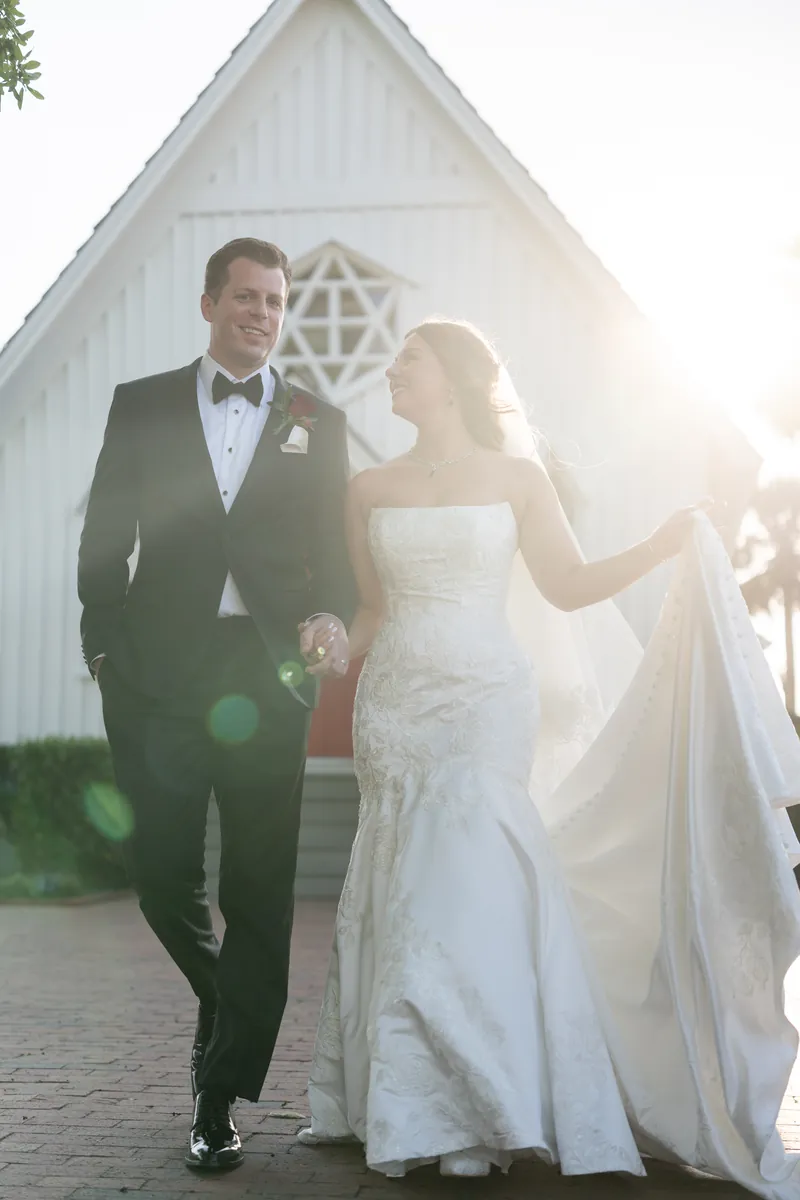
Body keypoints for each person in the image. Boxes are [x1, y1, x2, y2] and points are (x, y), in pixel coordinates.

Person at [298, 319, 800, 1197]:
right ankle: (415, 1098)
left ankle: (481, 1101)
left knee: (469, 882)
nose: (390, 373)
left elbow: (565, 585)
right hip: (398, 705)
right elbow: (371, 612)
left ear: (450, 378)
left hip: (486, 700)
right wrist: (336, 637)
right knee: (403, 881)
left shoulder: (520, 480)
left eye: (406, 361)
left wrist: (659, 545)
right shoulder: (367, 487)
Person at [77, 238, 356, 1172]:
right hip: (157, 674)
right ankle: (226, 1000)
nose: (262, 314)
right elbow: (105, 532)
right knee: (161, 877)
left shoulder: (319, 417)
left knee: (261, 888)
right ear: (209, 305)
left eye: (275, 302)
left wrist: (328, 616)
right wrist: (103, 644)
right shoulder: (143, 403)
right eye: (245, 297)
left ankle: (218, 1095)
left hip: (269, 679)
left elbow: (337, 564)